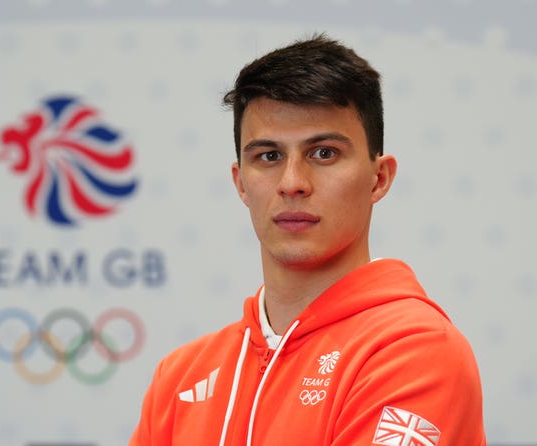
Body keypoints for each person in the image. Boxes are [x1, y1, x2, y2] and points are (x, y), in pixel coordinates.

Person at [130, 34, 486, 445]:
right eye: (268, 156)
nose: (293, 183)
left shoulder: (416, 350)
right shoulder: (180, 376)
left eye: (324, 154)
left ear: (379, 178)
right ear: (241, 183)